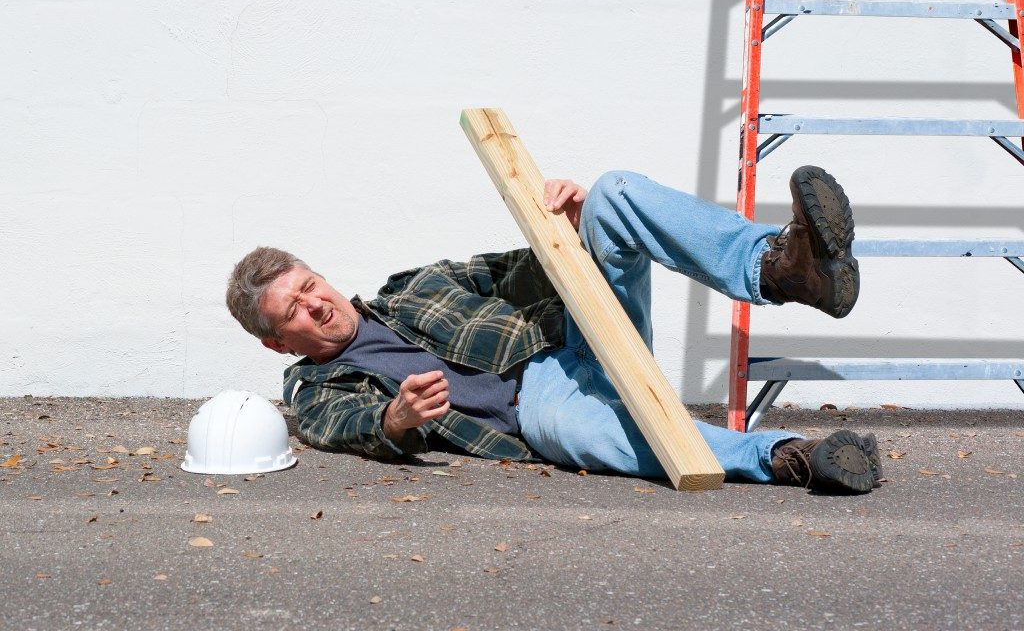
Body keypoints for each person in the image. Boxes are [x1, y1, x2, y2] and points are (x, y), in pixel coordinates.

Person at [226, 167, 881, 493]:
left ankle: (783, 270)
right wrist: (394, 422)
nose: (315, 306)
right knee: (568, 429)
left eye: (309, 286)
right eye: (293, 313)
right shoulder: (315, 384)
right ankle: (788, 457)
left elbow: (519, 267)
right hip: (536, 403)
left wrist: (568, 230)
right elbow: (339, 425)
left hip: (577, 334)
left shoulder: (411, 287)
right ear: (277, 341)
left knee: (612, 193)